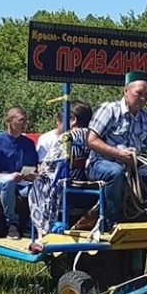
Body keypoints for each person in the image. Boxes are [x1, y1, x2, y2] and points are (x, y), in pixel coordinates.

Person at [86, 71, 147, 231]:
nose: (143, 98)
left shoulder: (145, 117)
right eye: (139, 93)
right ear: (126, 91)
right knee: (115, 172)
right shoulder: (109, 110)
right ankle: (112, 222)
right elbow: (91, 140)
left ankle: (145, 213)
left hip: (132, 167)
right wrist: (118, 154)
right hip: (100, 163)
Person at [29, 100, 93, 241]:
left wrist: (41, 171)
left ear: (73, 120)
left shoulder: (68, 137)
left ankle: (41, 231)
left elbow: (49, 165)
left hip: (68, 185)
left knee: (37, 186)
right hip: (89, 184)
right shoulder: (95, 136)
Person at [0, 107, 38, 240]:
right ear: (9, 121)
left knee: (41, 184)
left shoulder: (29, 144)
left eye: (26, 121)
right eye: (21, 121)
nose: (24, 125)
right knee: (8, 182)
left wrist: (32, 176)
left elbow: (34, 170)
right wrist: (7, 176)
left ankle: (33, 223)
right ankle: (12, 224)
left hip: (22, 185)